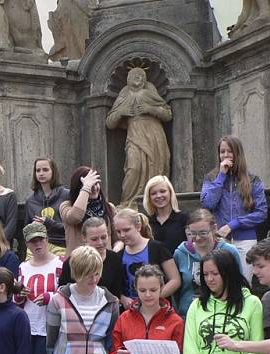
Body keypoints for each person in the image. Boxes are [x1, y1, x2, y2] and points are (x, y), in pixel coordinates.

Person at [17, 222, 63, 354]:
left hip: (49, 326)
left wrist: (49, 297)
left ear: (47, 240)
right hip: (29, 325)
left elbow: (65, 293)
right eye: (33, 241)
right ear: (27, 244)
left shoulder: (59, 264)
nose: (38, 244)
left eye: (40, 240)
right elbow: (15, 296)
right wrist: (19, 295)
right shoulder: (23, 267)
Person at [201, 134, 267, 282]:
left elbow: (261, 213)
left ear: (238, 153)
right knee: (221, 282)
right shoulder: (211, 178)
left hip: (245, 240)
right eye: (222, 151)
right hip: (220, 239)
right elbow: (208, 203)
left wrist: (234, 224)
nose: (225, 155)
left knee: (243, 283)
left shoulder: (253, 180)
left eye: (229, 151)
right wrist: (221, 175)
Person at [105, 66, 172, 205]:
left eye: (142, 76)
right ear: (128, 78)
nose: (139, 78)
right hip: (134, 135)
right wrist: (121, 112)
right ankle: (128, 202)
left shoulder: (149, 93)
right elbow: (110, 123)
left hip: (154, 134)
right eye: (136, 75)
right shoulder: (124, 96)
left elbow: (167, 115)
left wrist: (151, 109)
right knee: (133, 167)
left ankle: (152, 202)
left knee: (155, 167)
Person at [173, 209, 241, 318]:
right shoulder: (180, 253)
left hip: (223, 315)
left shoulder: (229, 251)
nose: (198, 238)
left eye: (203, 233)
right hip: (188, 315)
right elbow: (176, 289)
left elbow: (238, 284)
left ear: (214, 228)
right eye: (192, 233)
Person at [113, 207, 180, 309]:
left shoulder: (157, 248)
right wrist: (123, 298)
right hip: (131, 310)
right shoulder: (119, 255)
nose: (122, 235)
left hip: (158, 308)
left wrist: (153, 296)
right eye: (118, 231)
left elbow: (175, 280)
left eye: (126, 230)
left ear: (138, 226)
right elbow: (117, 287)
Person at [60, 166, 118, 253]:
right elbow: (75, 217)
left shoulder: (109, 207)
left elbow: (117, 238)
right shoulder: (66, 206)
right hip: (79, 262)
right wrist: (86, 188)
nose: (94, 188)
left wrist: (115, 252)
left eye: (96, 183)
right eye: (91, 185)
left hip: (105, 261)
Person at [25, 156, 68, 254]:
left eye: (45, 170)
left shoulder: (66, 195)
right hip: (37, 246)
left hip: (62, 245)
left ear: (53, 172)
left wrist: (49, 223)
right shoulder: (30, 201)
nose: (41, 173)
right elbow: (27, 230)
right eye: (38, 170)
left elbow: (73, 227)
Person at [143, 175, 188, 254]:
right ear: (149, 197)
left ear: (170, 192)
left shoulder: (185, 219)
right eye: (153, 193)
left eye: (163, 191)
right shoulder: (146, 222)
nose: (159, 196)